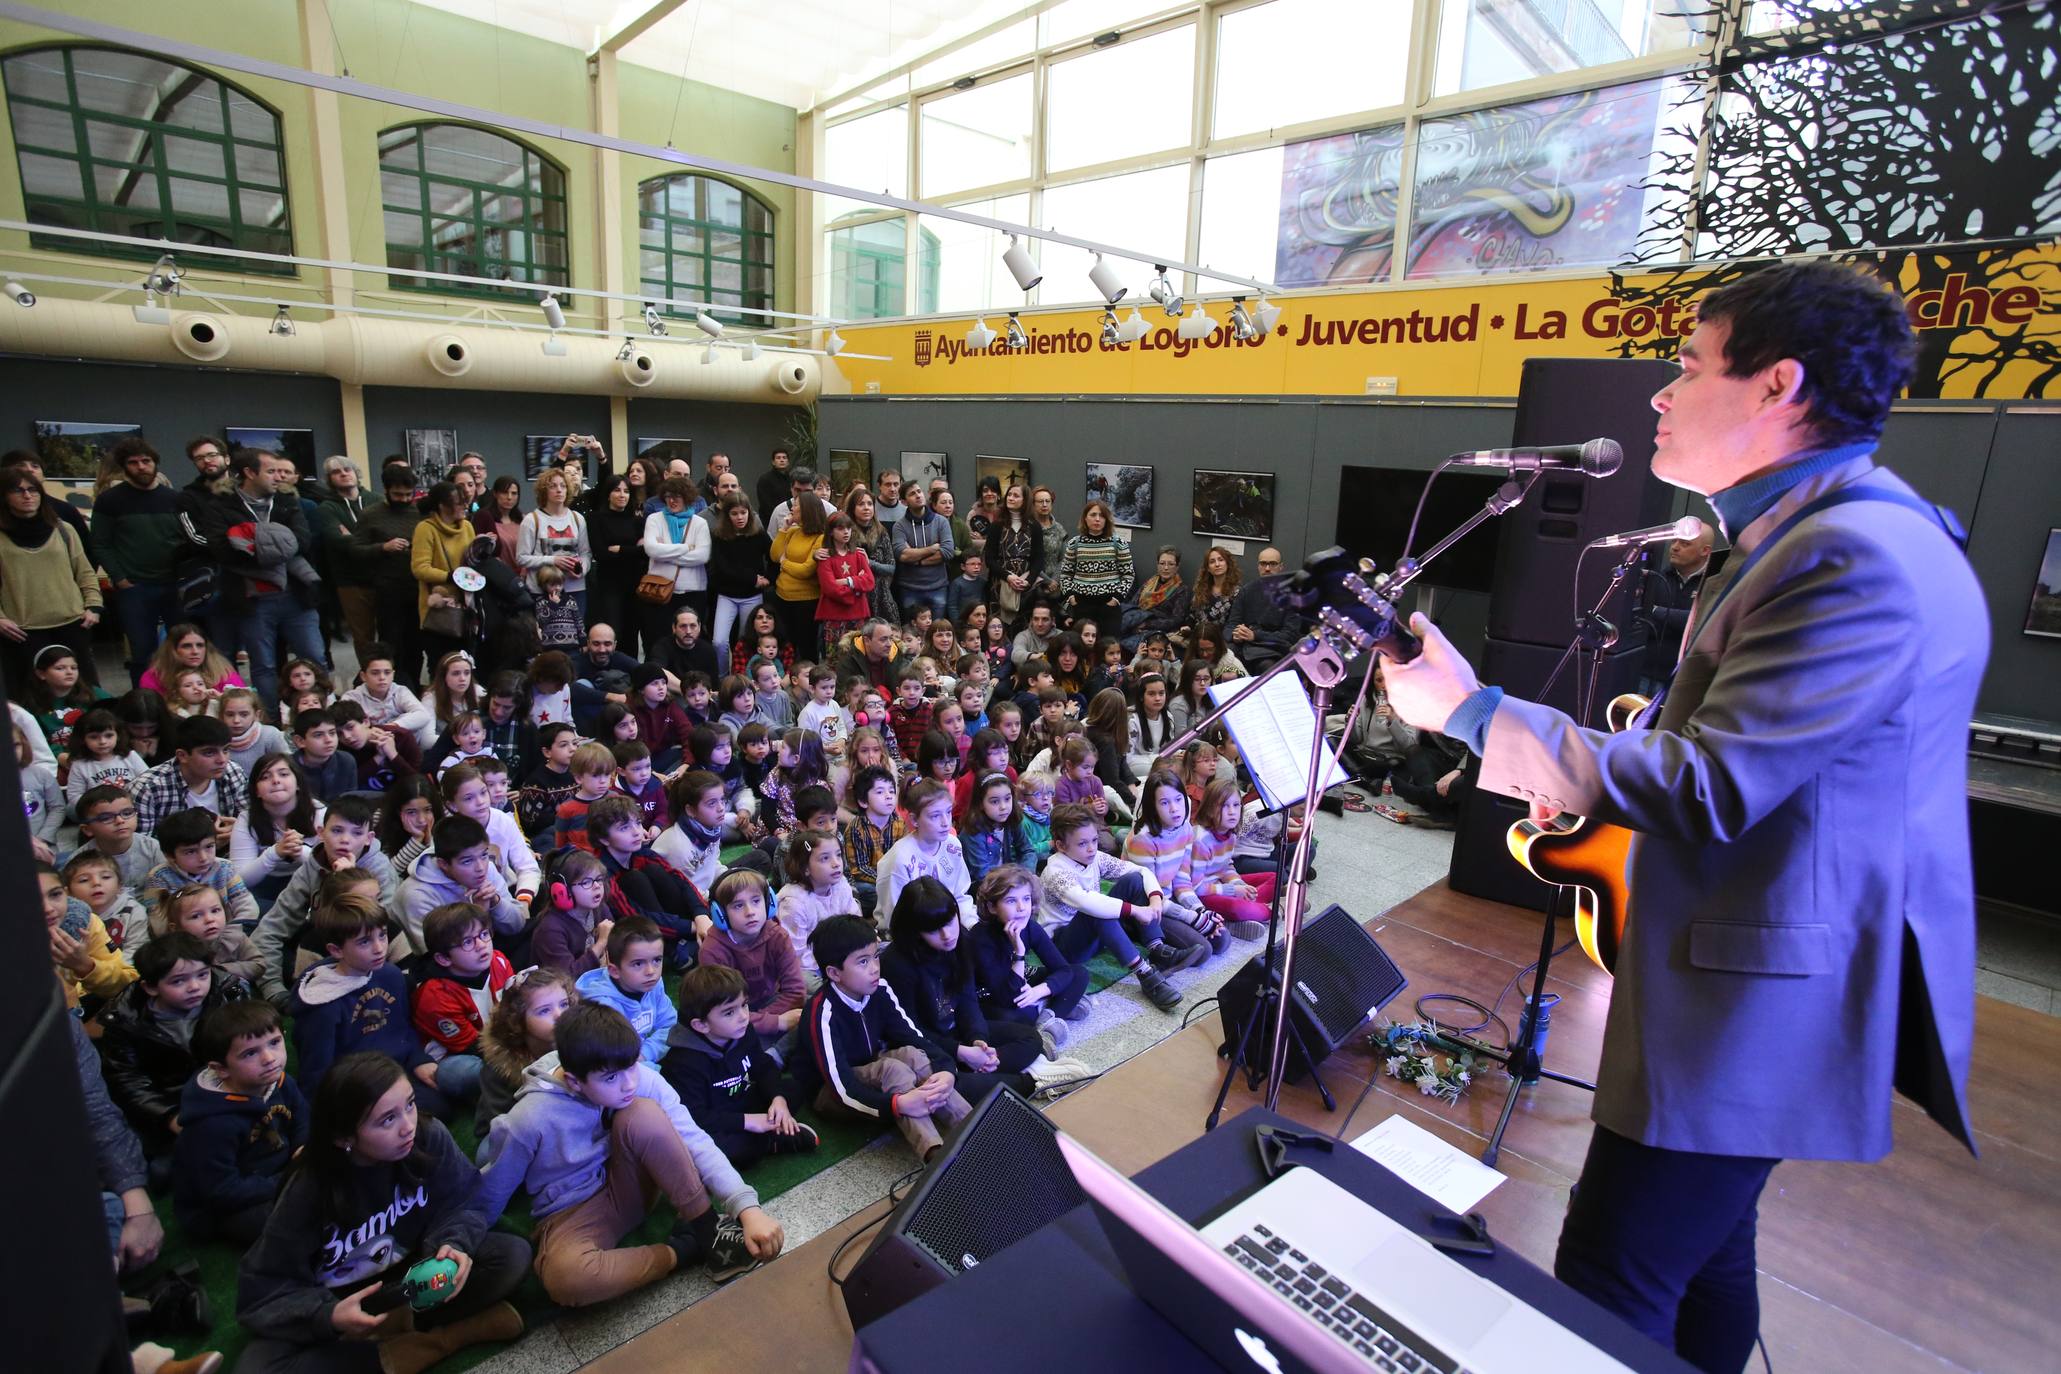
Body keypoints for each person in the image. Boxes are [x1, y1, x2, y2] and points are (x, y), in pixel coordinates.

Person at [1377, 260, 1987, 1374]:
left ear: (1777, 386)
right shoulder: (1805, 532)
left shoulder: (1851, 558)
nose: (1660, 394)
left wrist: (1471, 712)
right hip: (1752, 973)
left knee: (1612, 1283)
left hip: (1760, 997)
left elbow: (1713, 786)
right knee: (1706, 1261)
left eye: (1689, 366)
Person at [234, 1051, 529, 1374]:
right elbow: (263, 1287)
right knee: (257, 1367)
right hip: (344, 1302)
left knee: (510, 1256)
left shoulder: (429, 1136)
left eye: (410, 1104)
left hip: (412, 1280)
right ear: (343, 1137)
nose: (408, 1127)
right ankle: (441, 1340)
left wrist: (453, 1244)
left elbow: (464, 1201)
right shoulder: (309, 1188)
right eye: (387, 1119)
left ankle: (395, 1336)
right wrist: (326, 1316)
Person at [882, 877, 1084, 1103]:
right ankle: (1033, 1081)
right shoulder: (897, 963)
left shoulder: (961, 941)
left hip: (958, 1030)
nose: (947, 935)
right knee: (952, 1085)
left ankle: (994, 1068)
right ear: (915, 932)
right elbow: (909, 1031)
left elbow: (967, 1000)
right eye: (933, 930)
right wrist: (961, 1051)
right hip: (930, 1044)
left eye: (950, 922)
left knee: (1031, 1038)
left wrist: (978, 1040)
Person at [800, 914, 972, 1164]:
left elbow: (915, 1037)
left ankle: (972, 1128)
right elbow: (842, 1088)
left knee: (912, 1055)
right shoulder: (821, 1011)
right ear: (834, 973)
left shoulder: (879, 989)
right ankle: (937, 1158)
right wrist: (898, 1104)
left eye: (875, 956)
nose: (874, 968)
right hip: (832, 1093)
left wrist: (947, 1071)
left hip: (872, 1071)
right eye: (862, 962)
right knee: (893, 1069)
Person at [96, 931, 249, 1155]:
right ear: (150, 987)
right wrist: (169, 1116)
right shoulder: (125, 1021)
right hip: (166, 1101)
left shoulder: (228, 994)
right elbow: (127, 1080)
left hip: (225, 1089)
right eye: (179, 981)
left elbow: (248, 1044)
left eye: (202, 975)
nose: (195, 987)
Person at [172, 998, 307, 1245]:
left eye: (275, 1042)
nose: (269, 1058)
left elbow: (302, 1119)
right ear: (221, 1069)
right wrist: (285, 1182)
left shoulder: (280, 1081)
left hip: (278, 1172)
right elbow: (222, 1191)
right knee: (279, 1221)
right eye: (250, 1053)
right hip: (232, 1203)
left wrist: (302, 1148)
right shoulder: (211, 1124)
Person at [661, 963, 820, 1169]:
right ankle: (772, 1140)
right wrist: (749, 1121)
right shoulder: (683, 1062)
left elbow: (763, 1066)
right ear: (701, 1025)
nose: (743, 1016)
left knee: (793, 1089)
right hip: (711, 1122)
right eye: (729, 1012)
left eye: (744, 1005)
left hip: (740, 1102)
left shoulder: (743, 1032)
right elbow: (696, 1117)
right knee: (729, 1150)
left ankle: (771, 1126)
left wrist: (777, 1100)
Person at [1041, 803, 1196, 1010]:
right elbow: (1087, 902)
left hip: (1093, 935)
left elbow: (1141, 872)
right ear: (1061, 846)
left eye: (1095, 840)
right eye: (1082, 843)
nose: (1091, 848)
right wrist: (1135, 910)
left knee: (1132, 880)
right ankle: (1145, 974)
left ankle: (1158, 949)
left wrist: (1156, 898)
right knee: (1095, 910)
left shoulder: (1094, 857)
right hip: (1063, 945)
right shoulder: (1055, 871)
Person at [203, 447, 325, 708]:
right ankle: (271, 723)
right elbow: (223, 550)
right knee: (263, 665)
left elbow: (303, 541)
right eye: (270, 471)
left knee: (315, 658)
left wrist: (254, 539)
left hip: (297, 595)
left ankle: (320, 715)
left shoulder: (286, 500)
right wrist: (276, 545)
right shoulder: (220, 505)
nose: (278, 477)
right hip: (252, 599)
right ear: (249, 472)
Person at [0, 462, 101, 696]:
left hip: (71, 623)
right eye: (18, 490)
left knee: (84, 691)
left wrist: (93, 606)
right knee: (29, 695)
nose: (27, 495)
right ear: (4, 496)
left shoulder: (63, 529)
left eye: (33, 489)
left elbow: (84, 571)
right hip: (22, 630)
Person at [89, 436, 183, 681]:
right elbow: (100, 543)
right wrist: (119, 578)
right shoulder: (110, 500)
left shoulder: (174, 499)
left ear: (155, 463)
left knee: (182, 649)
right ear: (124, 467)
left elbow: (187, 539)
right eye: (133, 462)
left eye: (146, 461)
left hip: (174, 585)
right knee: (142, 653)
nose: (141, 466)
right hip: (134, 588)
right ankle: (144, 705)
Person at [409, 901, 517, 1106]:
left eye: (484, 934)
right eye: (467, 942)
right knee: (464, 1072)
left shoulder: (499, 961)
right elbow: (474, 1047)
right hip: (459, 1056)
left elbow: (516, 1009)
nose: (481, 945)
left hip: (498, 1039)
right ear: (443, 959)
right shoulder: (435, 996)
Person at [698, 866, 808, 1038]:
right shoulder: (712, 951)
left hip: (773, 1002)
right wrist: (775, 1022)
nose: (750, 912)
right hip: (734, 1016)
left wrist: (767, 1019)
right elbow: (724, 1014)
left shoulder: (778, 935)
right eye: (738, 905)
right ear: (720, 914)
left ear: (769, 902)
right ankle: (775, 1055)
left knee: (814, 1014)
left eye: (756, 901)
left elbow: (795, 992)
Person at [1635, 522, 1718, 694]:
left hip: (1683, 681)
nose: (1675, 548)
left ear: (1705, 551)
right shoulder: (1655, 576)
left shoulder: (1714, 582)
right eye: (1674, 542)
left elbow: (1700, 621)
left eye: (1685, 544)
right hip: (1643, 674)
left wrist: (1655, 611)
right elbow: (1640, 620)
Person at [410, 479, 476, 668]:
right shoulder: (426, 529)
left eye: (465, 501)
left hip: (467, 605)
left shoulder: (467, 527)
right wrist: (451, 576)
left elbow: (472, 561)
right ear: (442, 505)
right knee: (441, 665)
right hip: (440, 609)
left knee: (466, 664)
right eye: (458, 502)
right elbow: (419, 568)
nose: (465, 506)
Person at [642, 474, 712, 652]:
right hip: (660, 591)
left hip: (693, 591)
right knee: (659, 637)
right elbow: (651, 549)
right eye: (668, 496)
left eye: (677, 496)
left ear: (687, 497)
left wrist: (665, 551)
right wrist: (686, 547)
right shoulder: (654, 519)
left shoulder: (699, 523)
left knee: (691, 639)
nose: (672, 501)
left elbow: (702, 556)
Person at [519, 466, 593, 620]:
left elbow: (585, 553)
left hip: (575, 588)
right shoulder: (532, 520)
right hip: (541, 590)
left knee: (575, 636)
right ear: (544, 491)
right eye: (553, 486)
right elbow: (521, 558)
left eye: (563, 486)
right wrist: (553, 560)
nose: (559, 490)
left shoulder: (577, 518)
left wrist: (581, 569)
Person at [709, 491, 773, 664]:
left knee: (747, 640)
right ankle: (721, 680)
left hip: (752, 596)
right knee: (719, 642)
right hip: (727, 595)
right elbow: (723, 568)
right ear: (727, 515)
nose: (740, 517)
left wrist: (768, 578)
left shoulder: (758, 534)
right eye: (734, 513)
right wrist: (753, 579)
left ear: (749, 513)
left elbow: (774, 556)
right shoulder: (719, 536)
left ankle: (745, 676)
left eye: (743, 513)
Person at [1227, 547, 1296, 673]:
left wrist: (1255, 635)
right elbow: (1230, 625)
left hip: (1272, 649)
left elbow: (1290, 635)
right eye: (1263, 564)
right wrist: (1235, 635)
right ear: (1258, 566)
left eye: (1273, 564)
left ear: (1281, 567)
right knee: (1222, 660)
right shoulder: (1246, 591)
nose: (1267, 568)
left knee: (1267, 667)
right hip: (1242, 646)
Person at [890, 482, 953, 620]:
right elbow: (901, 555)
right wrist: (932, 549)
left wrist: (917, 560)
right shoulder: (899, 526)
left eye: (919, 491)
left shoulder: (941, 522)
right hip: (909, 589)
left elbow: (947, 552)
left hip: (938, 586)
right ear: (904, 502)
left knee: (937, 631)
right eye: (912, 494)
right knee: (911, 633)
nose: (918, 495)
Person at [754, 445, 792, 521]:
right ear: (773, 462)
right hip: (770, 519)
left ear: (788, 462)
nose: (782, 460)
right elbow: (765, 503)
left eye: (784, 458)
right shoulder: (765, 479)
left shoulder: (792, 479)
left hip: (790, 518)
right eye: (778, 458)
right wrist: (778, 516)